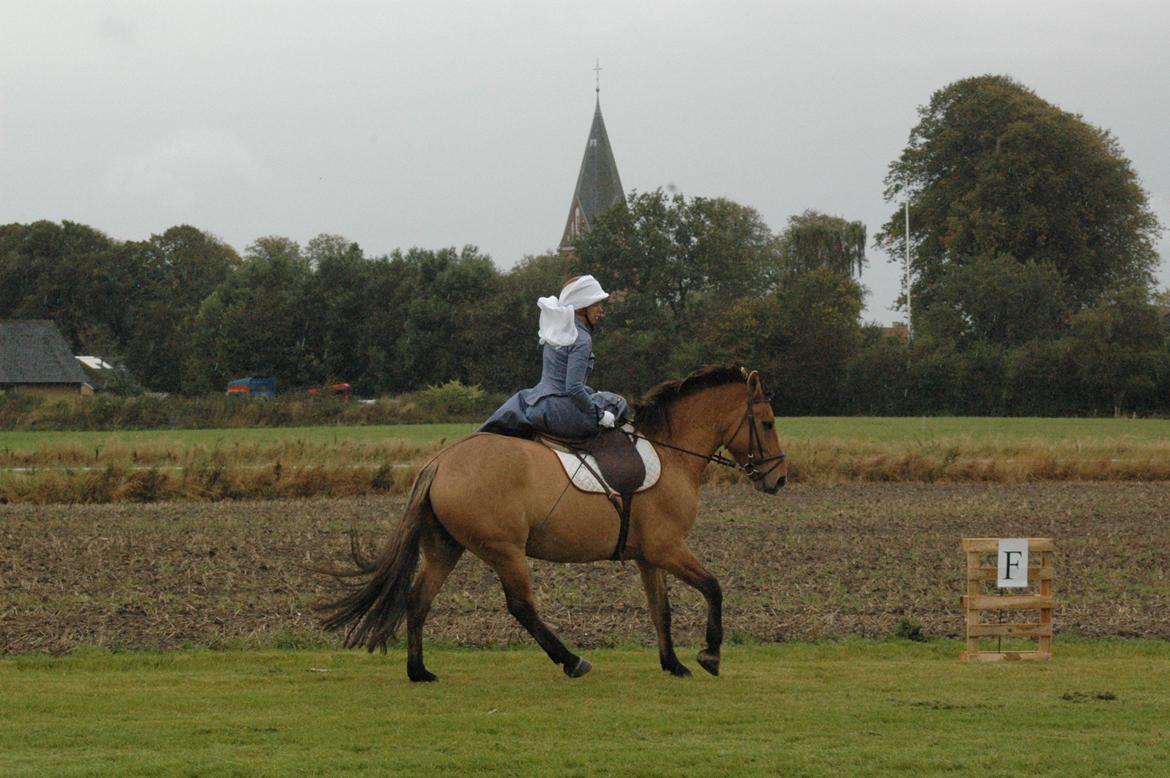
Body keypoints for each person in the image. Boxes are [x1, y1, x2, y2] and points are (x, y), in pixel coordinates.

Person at [479, 274, 628, 439]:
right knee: (618, 403)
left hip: (535, 404)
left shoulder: (558, 329)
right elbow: (573, 388)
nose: (601, 310)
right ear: (581, 308)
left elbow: (562, 379)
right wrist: (600, 415)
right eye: (595, 305)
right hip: (558, 410)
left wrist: (591, 393)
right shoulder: (582, 339)